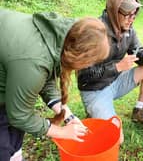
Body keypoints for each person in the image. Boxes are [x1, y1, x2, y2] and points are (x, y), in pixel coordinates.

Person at [0, 9, 110, 161]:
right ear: (80, 55)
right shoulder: (33, 61)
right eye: (90, 62)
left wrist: (67, 114)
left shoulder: (58, 37)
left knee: (12, 135)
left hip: (13, 72)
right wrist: (62, 132)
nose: (88, 66)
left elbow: (44, 75)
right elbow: (19, 116)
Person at [77, 0, 143, 128]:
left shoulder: (128, 29)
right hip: (95, 90)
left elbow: (138, 51)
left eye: (134, 14)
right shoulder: (94, 32)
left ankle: (140, 111)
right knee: (117, 137)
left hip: (115, 82)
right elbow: (84, 76)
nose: (131, 19)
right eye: (128, 14)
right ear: (114, 11)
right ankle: (94, 111)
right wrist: (117, 67)